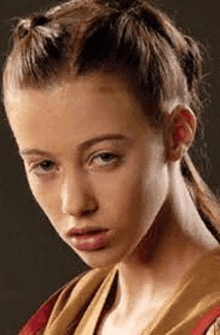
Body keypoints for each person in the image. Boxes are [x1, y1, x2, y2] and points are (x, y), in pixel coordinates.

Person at [2, 0, 220, 333]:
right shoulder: (65, 315)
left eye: (104, 157)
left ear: (177, 133)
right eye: (44, 165)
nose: (75, 204)